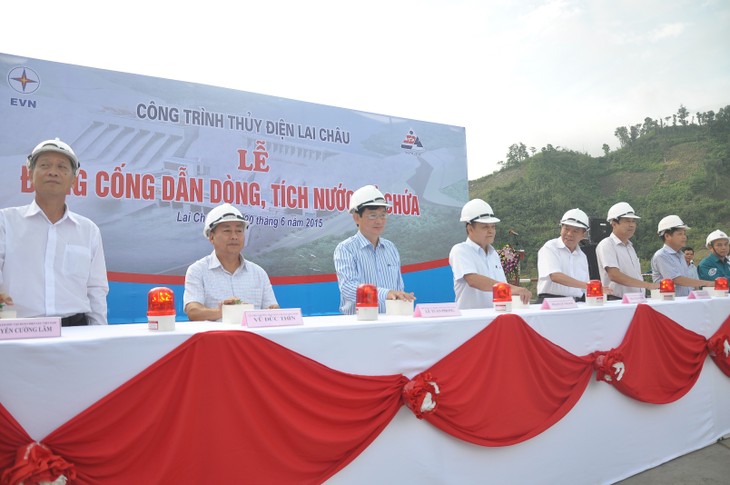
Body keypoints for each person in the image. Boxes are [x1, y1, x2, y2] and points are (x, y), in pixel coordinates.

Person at [0, 138, 108, 325]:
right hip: (19, 332)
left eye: (62, 167)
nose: (53, 172)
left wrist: (99, 333)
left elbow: (96, 289)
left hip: (76, 332)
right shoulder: (5, 223)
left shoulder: (88, 230)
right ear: (29, 174)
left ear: (74, 180)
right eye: (45, 165)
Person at [184, 203, 279, 321]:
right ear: (212, 237)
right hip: (216, 338)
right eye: (227, 231)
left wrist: (274, 312)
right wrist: (222, 312)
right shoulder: (198, 270)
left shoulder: (258, 273)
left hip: (253, 338)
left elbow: (271, 309)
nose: (234, 236)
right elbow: (193, 312)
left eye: (239, 231)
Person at [333, 184, 415, 314]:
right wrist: (386, 293)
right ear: (356, 217)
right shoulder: (345, 248)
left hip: (391, 322)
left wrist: (401, 297)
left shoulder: (391, 248)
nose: (379, 221)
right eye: (372, 215)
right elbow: (348, 288)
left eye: (382, 215)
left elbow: (398, 286)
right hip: (360, 325)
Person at [449, 199, 531, 309]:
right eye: (485, 227)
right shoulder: (460, 250)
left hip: (496, 318)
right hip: (471, 322)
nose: (491, 231)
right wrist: (513, 289)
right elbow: (473, 280)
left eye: (493, 227)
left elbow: (501, 287)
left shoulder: (494, 254)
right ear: (470, 229)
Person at [537, 209, 612, 302]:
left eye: (575, 231)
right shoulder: (550, 247)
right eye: (566, 229)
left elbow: (584, 288)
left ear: (583, 234)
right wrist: (590, 286)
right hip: (551, 301)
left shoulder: (582, 256)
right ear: (561, 228)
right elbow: (555, 276)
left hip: (576, 303)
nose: (569, 234)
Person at [595, 202, 659, 299]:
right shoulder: (607, 244)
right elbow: (614, 275)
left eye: (633, 221)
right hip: (617, 301)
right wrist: (648, 285)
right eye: (627, 221)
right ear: (614, 223)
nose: (632, 225)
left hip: (636, 300)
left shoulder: (630, 246)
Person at [650, 215, 714, 296]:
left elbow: (687, 281)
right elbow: (677, 280)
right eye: (680, 234)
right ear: (667, 236)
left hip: (684, 301)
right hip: (669, 303)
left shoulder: (680, 255)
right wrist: (707, 283)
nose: (684, 237)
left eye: (684, 234)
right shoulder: (661, 255)